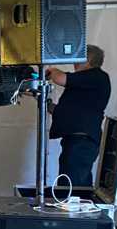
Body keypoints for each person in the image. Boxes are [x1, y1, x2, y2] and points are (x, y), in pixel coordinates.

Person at [46, 44, 111, 187]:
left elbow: (60, 78)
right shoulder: (86, 82)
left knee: (71, 187)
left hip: (82, 142)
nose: (74, 62)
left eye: (78, 58)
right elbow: (70, 111)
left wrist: (51, 69)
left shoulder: (96, 76)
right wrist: (46, 103)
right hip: (77, 141)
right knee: (78, 185)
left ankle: (70, 209)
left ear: (87, 60)